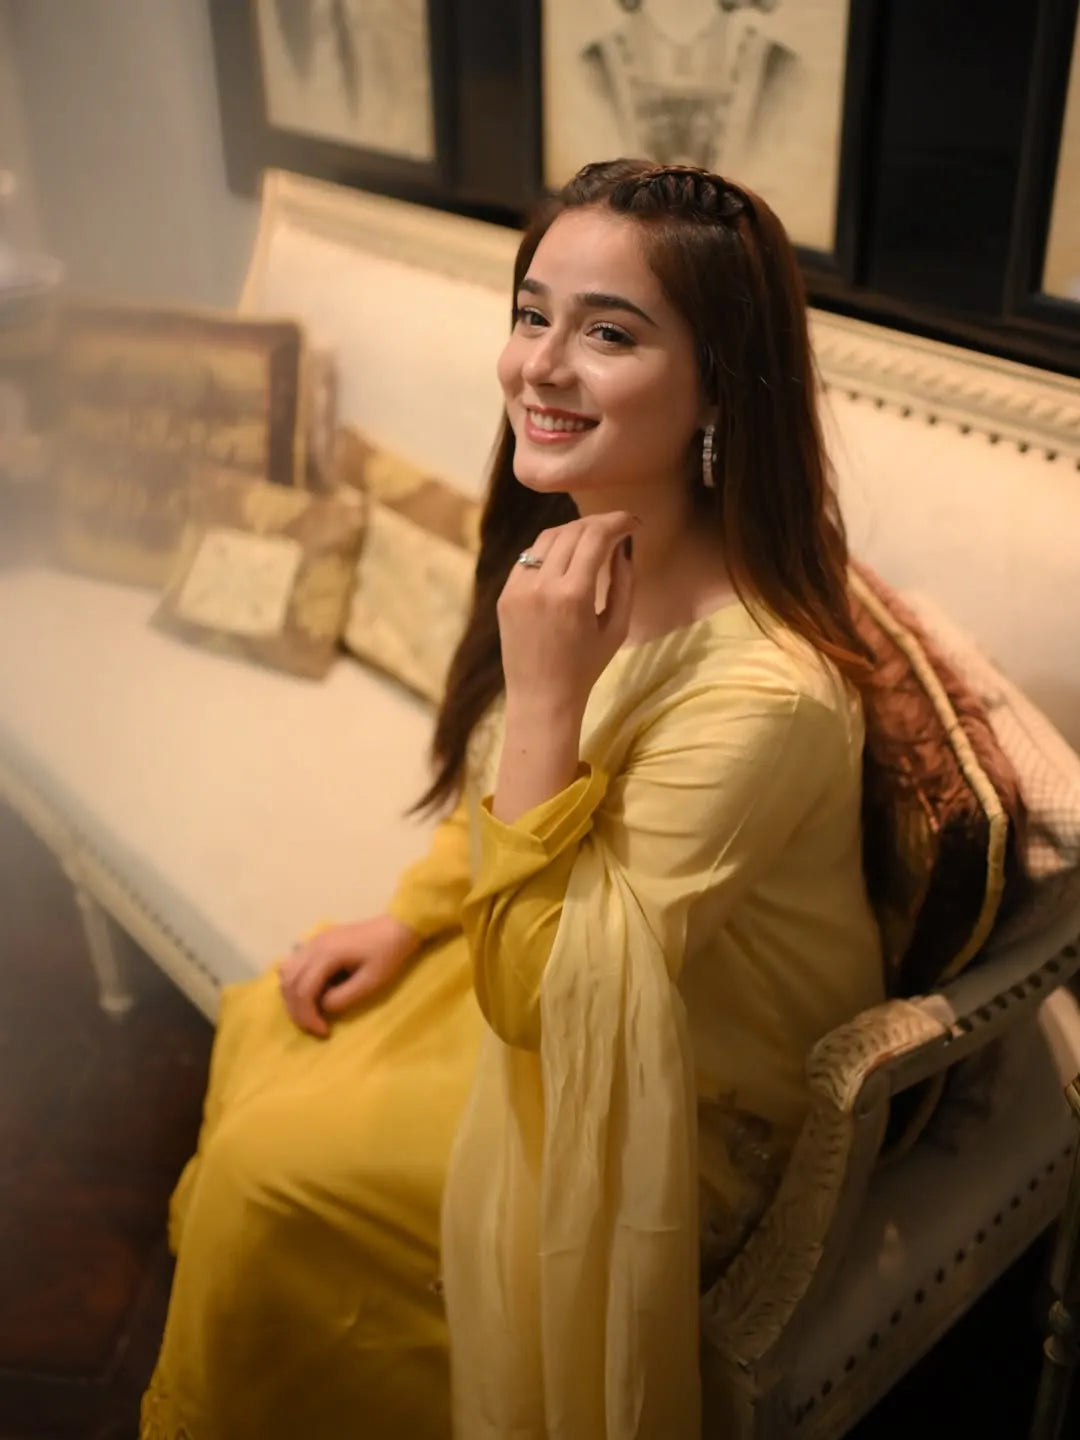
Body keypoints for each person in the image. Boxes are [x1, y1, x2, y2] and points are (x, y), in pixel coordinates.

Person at [140, 158, 884, 1439]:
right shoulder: (595, 543)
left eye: (608, 333)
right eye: (532, 313)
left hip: (661, 1077)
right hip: (540, 949)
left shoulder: (770, 693)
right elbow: (506, 807)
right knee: (267, 1024)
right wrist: (409, 917)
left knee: (269, 1185)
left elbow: (553, 997)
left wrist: (547, 698)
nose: (540, 364)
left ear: (720, 383)